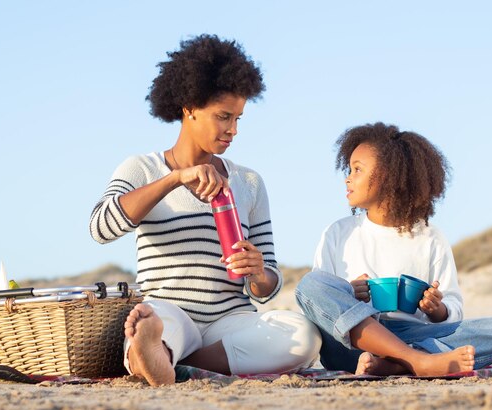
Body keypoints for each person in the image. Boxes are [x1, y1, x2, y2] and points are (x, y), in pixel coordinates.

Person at [90, 34, 321, 386]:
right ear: (189, 107)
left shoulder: (249, 182)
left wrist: (258, 273)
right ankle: (156, 346)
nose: (233, 130)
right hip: (170, 310)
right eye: (224, 116)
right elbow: (100, 228)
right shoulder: (141, 169)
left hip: (228, 322)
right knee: (153, 322)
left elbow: (268, 286)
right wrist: (175, 179)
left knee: (304, 335)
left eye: (239, 118)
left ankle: (166, 360)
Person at [295, 122, 492, 376]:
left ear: (388, 176)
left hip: (413, 334)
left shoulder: (431, 238)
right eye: (349, 169)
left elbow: (453, 307)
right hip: (353, 345)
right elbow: (319, 300)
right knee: (309, 284)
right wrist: (348, 292)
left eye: (357, 170)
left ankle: (393, 364)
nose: (348, 177)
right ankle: (416, 361)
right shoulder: (338, 232)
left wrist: (437, 310)